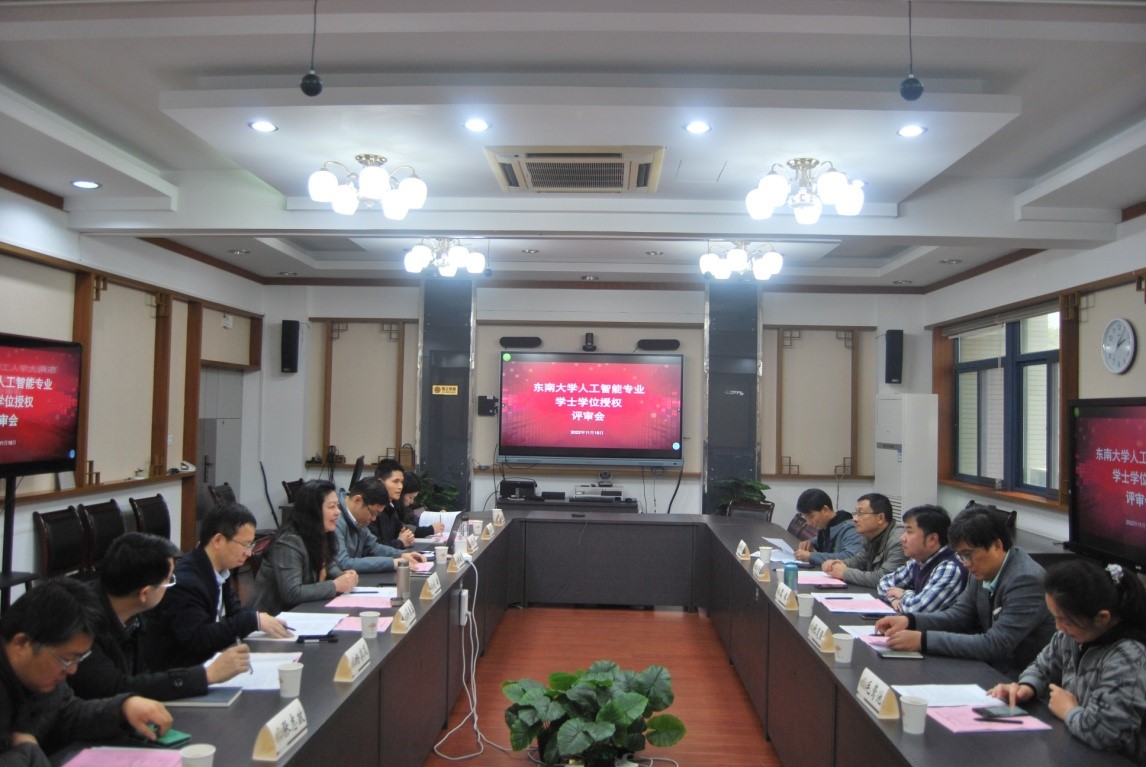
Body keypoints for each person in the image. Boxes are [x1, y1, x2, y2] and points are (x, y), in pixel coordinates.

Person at [988, 559, 1146, 762]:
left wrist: (1069, 710)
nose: (1058, 627)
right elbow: (1041, 666)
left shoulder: (1129, 657)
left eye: (1065, 620)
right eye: (1055, 617)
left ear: (1103, 618)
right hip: (1078, 747)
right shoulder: (1070, 636)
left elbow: (1107, 733)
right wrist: (1027, 687)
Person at [1, 580, 173, 766]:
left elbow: (66, 712)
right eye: (66, 659)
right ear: (22, 643)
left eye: (78, 659)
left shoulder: (40, 678)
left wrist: (122, 709)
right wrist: (26, 751)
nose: (72, 670)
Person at [69, 533, 251, 701]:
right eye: (169, 580)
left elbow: (144, 675)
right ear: (145, 593)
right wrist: (206, 675)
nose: (172, 585)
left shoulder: (134, 610)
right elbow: (115, 688)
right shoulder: (81, 623)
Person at [876, 506, 1056, 676]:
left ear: (997, 545)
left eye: (968, 555)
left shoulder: (1025, 580)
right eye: (961, 556)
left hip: (1020, 678)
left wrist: (922, 640)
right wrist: (910, 621)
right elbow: (958, 616)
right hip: (989, 667)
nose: (965, 564)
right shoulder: (982, 568)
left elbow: (996, 644)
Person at [143, 502, 291, 671]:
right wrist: (252, 620)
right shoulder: (186, 582)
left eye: (251, 545)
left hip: (207, 665)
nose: (249, 553)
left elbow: (233, 612)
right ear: (218, 540)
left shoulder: (219, 570)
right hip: (182, 674)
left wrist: (259, 618)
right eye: (245, 545)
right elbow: (199, 638)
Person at [247, 479, 359, 614]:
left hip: (302, 611)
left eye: (338, 506)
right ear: (313, 511)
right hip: (272, 618)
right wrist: (335, 585)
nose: (338, 512)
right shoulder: (288, 542)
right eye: (331, 507)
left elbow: (328, 565)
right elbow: (292, 593)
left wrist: (344, 576)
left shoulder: (321, 534)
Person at [877, 505, 966, 613]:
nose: (902, 538)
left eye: (909, 532)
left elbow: (918, 609)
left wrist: (904, 594)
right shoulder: (918, 560)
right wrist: (893, 599)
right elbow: (884, 582)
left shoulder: (949, 568)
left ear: (932, 539)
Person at [335, 477, 425, 574]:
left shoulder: (358, 519)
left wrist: (402, 555)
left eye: (377, 514)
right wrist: (392, 563)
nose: (374, 518)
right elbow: (343, 563)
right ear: (357, 501)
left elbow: (373, 547)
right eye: (373, 513)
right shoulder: (335, 519)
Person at [821, 493, 906, 587]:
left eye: (860, 513)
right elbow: (860, 560)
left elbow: (885, 579)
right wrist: (837, 564)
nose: (854, 519)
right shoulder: (870, 535)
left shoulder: (899, 540)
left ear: (880, 518)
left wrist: (845, 573)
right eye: (855, 513)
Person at [793, 488, 863, 567]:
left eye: (811, 516)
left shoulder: (851, 529)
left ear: (825, 510)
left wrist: (810, 556)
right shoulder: (826, 527)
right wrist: (809, 543)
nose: (808, 522)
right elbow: (821, 539)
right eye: (805, 516)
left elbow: (851, 557)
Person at [368, 459, 415, 549]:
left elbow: (400, 531)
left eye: (401, 482)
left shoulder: (391, 506)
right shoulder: (372, 509)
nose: (400, 486)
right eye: (395, 481)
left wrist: (407, 537)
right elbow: (373, 547)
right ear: (380, 482)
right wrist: (400, 542)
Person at [398, 471, 445, 538]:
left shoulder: (405, 508)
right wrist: (429, 530)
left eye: (414, 498)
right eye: (410, 497)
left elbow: (413, 522)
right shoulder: (392, 508)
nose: (412, 501)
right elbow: (400, 527)